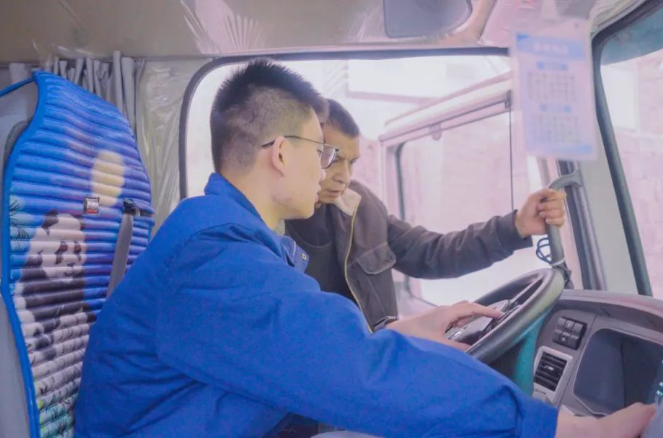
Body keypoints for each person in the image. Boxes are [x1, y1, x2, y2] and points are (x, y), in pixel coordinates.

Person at [74, 59, 653, 437]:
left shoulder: (232, 243)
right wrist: (559, 428)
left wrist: (397, 334)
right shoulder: (213, 260)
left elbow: (313, 356)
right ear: (282, 153)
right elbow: (354, 370)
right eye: (322, 153)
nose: (331, 169)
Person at [286, 99, 569, 329]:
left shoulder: (362, 207)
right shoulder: (270, 228)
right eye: (332, 159)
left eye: (352, 163)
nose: (344, 177)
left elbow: (431, 253)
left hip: (380, 360)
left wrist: (515, 227)